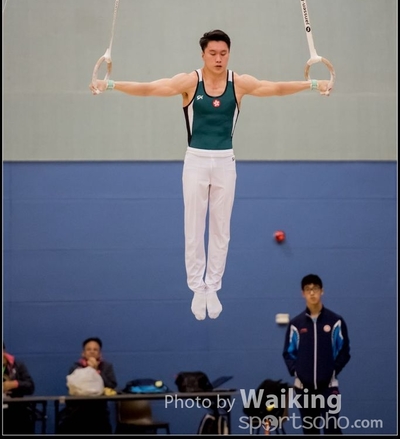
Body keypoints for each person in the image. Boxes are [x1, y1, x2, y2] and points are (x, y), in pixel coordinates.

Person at [90, 30, 332, 321]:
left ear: (229, 54)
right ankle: (197, 287)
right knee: (194, 226)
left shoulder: (238, 83)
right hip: (196, 160)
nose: (218, 59)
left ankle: (213, 286)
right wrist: (110, 84)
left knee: (221, 228)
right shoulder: (189, 82)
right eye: (213, 54)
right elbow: (149, 89)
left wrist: (313, 84)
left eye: (223, 53)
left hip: (225, 162)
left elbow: (276, 88)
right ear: (203, 55)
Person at [282, 274, 351, 434]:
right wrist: (297, 371)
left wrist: (332, 370)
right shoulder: (296, 324)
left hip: (328, 388)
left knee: (332, 429)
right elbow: (288, 353)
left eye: (315, 289)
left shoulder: (335, 321)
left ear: (322, 291)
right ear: (303, 293)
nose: (312, 293)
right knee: (310, 431)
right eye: (308, 289)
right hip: (304, 390)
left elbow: (344, 350)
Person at [57, 337, 118, 434]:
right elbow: (72, 386)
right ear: (83, 353)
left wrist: (96, 371)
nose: (92, 352)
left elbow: (111, 385)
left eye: (95, 349)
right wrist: (88, 370)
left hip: (99, 410)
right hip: (78, 410)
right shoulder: (76, 367)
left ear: (100, 354)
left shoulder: (107, 367)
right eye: (88, 349)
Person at [3, 343, 36, 434]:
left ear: (4, 351)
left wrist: (15, 384)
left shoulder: (17, 365)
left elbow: (30, 387)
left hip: (16, 410)